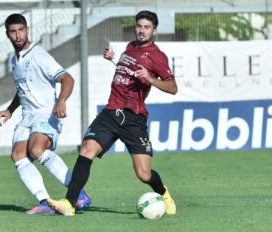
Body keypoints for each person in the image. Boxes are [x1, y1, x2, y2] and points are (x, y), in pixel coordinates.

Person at [47, 10, 178, 216]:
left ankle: (164, 193)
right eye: (139, 26)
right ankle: (69, 203)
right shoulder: (130, 47)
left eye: (146, 27)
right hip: (110, 112)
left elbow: (172, 87)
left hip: (134, 118)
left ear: (154, 31)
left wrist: (151, 79)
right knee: (86, 150)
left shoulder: (157, 56)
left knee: (144, 174)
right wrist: (113, 60)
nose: (141, 30)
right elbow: (128, 73)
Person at [0, 13, 91, 215]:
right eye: (13, 32)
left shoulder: (38, 55)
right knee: (18, 155)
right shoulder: (15, 60)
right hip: (28, 116)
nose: (18, 35)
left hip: (46, 113)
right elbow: (21, 89)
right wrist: (10, 110)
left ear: (27, 30)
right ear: (8, 34)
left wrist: (61, 101)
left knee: (36, 149)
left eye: (21, 30)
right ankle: (45, 203)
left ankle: (78, 193)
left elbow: (67, 79)